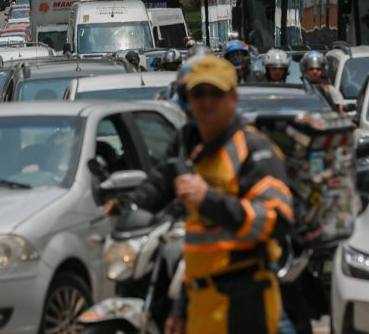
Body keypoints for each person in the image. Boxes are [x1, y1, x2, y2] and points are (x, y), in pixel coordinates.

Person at [122, 55, 294, 334]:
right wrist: (181, 310)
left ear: (233, 97)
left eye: (216, 93)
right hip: (202, 302)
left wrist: (208, 199)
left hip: (244, 301)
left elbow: (277, 218)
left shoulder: (253, 149)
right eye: (199, 94)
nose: (207, 101)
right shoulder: (195, 152)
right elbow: (201, 249)